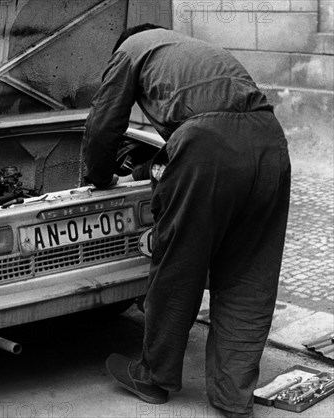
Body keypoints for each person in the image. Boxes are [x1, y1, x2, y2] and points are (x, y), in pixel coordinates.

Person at [83, 24, 291, 417]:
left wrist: (98, 178)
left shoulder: (130, 49)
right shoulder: (192, 49)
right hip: (270, 143)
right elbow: (202, 129)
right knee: (250, 274)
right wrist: (150, 170)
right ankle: (234, 398)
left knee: (179, 263)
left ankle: (153, 376)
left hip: (208, 146)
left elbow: (104, 124)